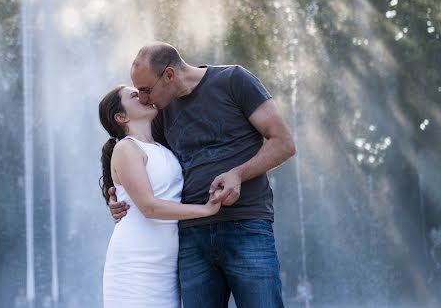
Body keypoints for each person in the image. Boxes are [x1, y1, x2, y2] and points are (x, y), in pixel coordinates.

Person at [108, 43, 296, 308]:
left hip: (246, 225)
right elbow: (134, 154)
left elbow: (284, 143)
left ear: (170, 75)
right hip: (190, 238)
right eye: (138, 92)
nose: (143, 98)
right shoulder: (160, 112)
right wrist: (116, 192)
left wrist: (238, 174)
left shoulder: (234, 80)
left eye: (146, 90)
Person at [99, 84, 221, 308]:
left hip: (165, 265)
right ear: (121, 116)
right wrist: (206, 209)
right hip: (136, 262)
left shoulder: (163, 148)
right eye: (134, 96)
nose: (143, 97)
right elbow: (149, 207)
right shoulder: (127, 148)